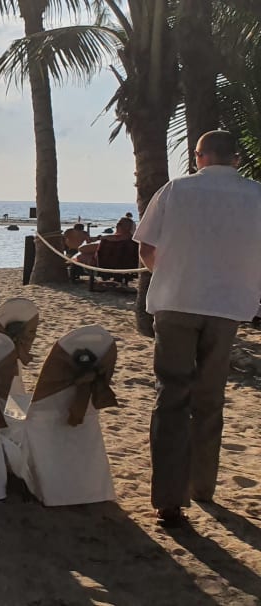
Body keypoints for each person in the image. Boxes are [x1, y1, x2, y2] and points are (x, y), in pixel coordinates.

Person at [134, 130, 261, 528]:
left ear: (198, 156)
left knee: (171, 396)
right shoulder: (256, 194)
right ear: (236, 158)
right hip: (226, 307)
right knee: (210, 396)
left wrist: (173, 274)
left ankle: (169, 500)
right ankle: (202, 485)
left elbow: (146, 248)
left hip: (176, 302)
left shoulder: (176, 190)